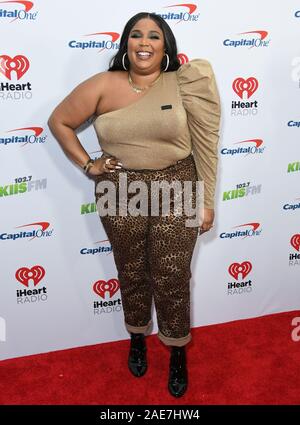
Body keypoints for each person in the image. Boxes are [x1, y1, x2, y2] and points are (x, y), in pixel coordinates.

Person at [48, 12, 221, 398]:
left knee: (173, 275)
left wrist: (207, 201)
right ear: (126, 44)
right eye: (136, 35)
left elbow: (206, 145)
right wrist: (89, 165)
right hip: (119, 191)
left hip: (177, 185)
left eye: (154, 36)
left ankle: (177, 348)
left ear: (165, 46)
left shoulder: (186, 82)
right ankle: (138, 336)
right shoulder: (103, 84)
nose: (144, 42)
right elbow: (59, 121)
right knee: (130, 268)